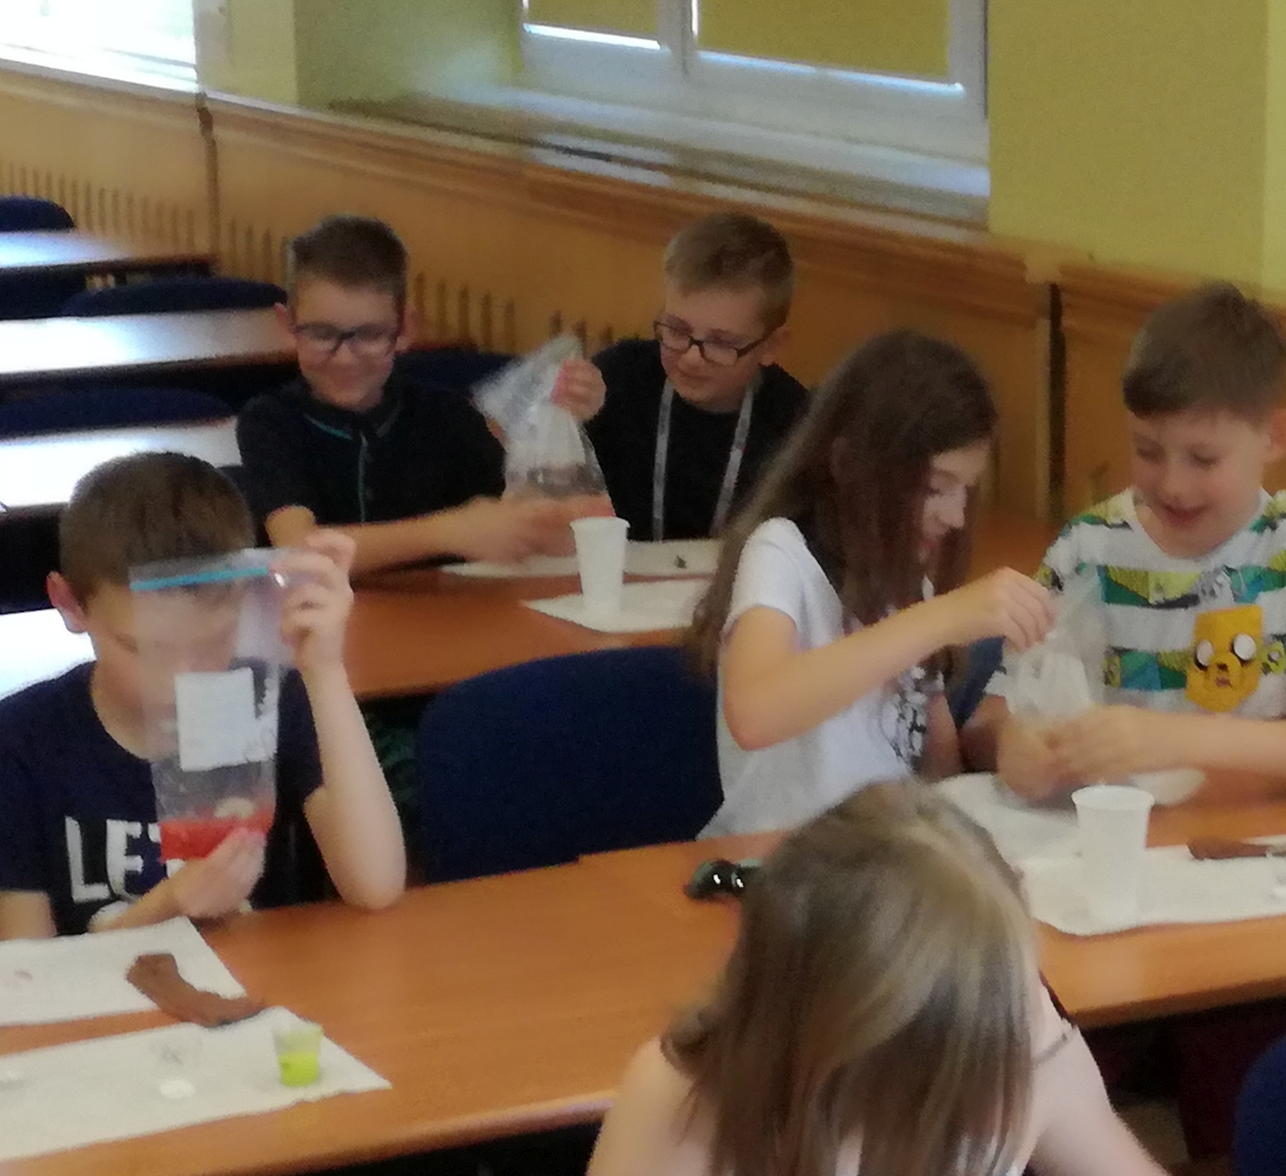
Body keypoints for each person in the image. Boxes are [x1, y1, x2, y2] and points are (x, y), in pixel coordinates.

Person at [520, 781, 1286, 1176]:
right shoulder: (692, 1108)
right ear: (836, 1072)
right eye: (960, 1095)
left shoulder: (1027, 1044)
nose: (1015, 1090)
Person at [0, 452, 420, 1176]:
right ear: (68, 605)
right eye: (142, 648)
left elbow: (377, 882)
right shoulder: (19, 745)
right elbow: (17, 980)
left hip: (267, 1085)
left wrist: (322, 671)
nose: (178, 677)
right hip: (95, 1110)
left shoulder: (262, 704)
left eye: (209, 644)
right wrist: (165, 910)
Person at [961, 282, 1286, 801]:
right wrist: (1010, 744)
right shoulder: (1087, 550)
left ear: (1275, 436)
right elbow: (988, 719)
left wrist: (1180, 740)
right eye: (1147, 451)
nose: (1173, 485)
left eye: (1203, 459)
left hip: (1281, 837)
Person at [684, 330, 1055, 838]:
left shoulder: (908, 585)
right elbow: (754, 713)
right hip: (782, 860)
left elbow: (938, 771)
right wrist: (936, 620)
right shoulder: (782, 552)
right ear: (847, 464)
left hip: (883, 857)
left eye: (965, 492)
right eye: (935, 488)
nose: (954, 516)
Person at [238, 213, 607, 576]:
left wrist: (565, 423)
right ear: (287, 326)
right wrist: (446, 532)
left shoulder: (448, 417)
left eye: (370, 334)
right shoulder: (270, 421)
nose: (345, 357)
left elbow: (545, 530)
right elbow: (299, 549)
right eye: (321, 334)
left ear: (405, 330)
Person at [563, 212, 811, 542]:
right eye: (677, 330)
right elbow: (540, 487)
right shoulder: (616, 379)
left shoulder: (797, 425)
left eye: (721, 342)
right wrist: (572, 423)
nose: (692, 358)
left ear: (771, 346)